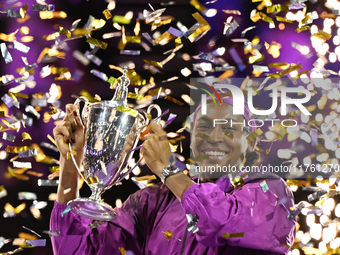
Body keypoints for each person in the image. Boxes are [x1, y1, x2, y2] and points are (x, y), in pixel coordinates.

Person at [50, 97, 296, 255]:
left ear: (250, 144)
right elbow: (74, 251)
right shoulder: (153, 203)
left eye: (230, 128)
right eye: (204, 127)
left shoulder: (271, 194)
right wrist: (71, 163)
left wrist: (167, 170)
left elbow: (219, 221)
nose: (215, 136)